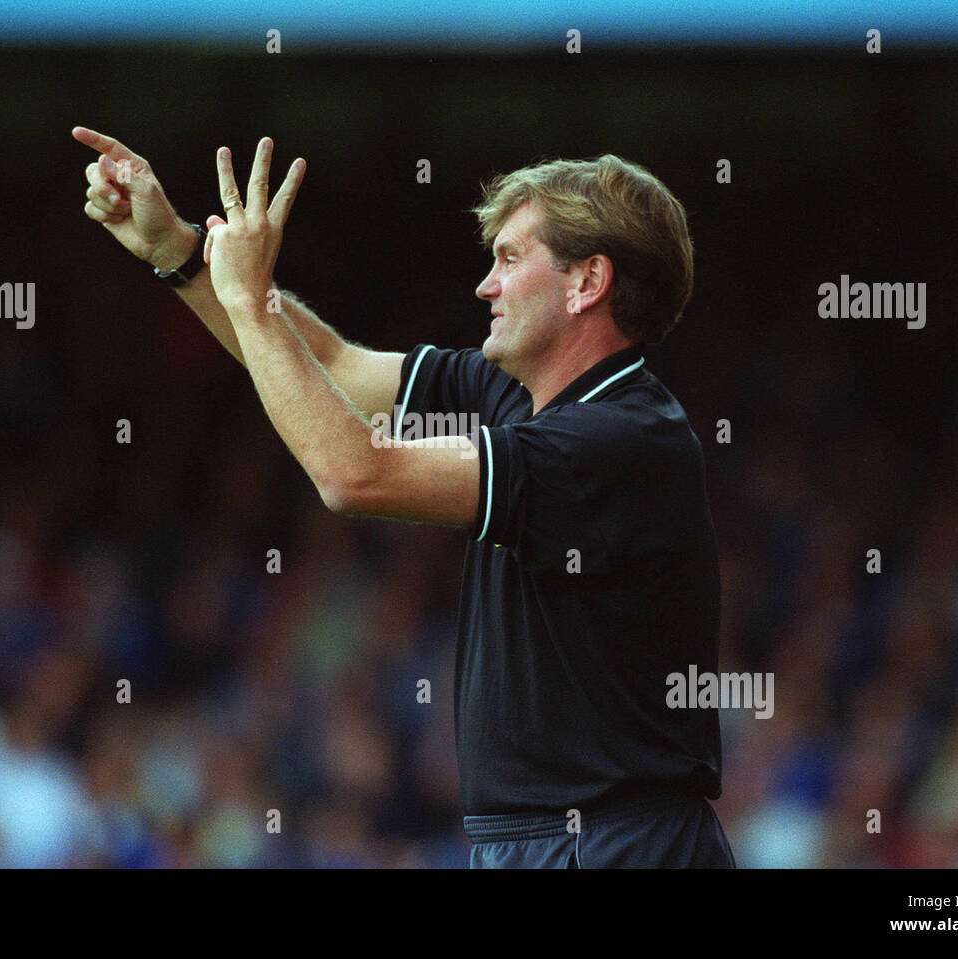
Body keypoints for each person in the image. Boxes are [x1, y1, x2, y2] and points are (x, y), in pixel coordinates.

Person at [72, 126, 735, 868]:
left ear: (588, 282)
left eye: (510, 259)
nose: (485, 285)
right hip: (540, 840)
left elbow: (355, 472)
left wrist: (252, 302)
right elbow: (334, 368)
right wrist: (181, 254)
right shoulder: (513, 391)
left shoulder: (619, 438)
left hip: (616, 846)